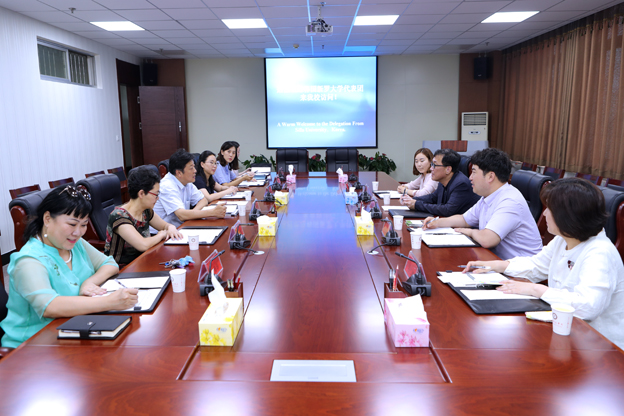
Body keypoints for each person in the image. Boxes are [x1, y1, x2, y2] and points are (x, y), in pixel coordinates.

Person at [464, 178, 624, 350]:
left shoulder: (600, 252)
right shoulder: (563, 239)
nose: (545, 213)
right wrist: (497, 265)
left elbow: (588, 306)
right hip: (568, 332)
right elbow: (536, 265)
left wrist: (536, 289)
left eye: (550, 209)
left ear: (568, 215)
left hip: (600, 347)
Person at [0, 185, 138, 348]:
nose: (78, 232)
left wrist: (89, 282)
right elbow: (49, 306)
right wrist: (109, 302)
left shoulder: (74, 243)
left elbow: (110, 264)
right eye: (72, 224)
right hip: (34, 344)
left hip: (75, 327)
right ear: (47, 219)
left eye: (84, 224)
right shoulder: (28, 260)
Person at [422, 148, 542, 259]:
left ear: (490, 176)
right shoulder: (488, 196)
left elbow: (487, 239)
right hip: (498, 261)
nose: (470, 178)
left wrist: (469, 232)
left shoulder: (510, 201)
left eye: (474, 172)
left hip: (522, 269)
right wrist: (437, 222)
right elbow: (465, 219)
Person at [105, 166, 183, 265]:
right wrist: (161, 234)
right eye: (156, 194)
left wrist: (171, 228)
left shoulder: (146, 211)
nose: (158, 198)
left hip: (143, 261)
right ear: (141, 193)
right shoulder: (119, 216)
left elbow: (165, 225)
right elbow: (143, 245)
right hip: (122, 269)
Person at [152, 149, 226, 232]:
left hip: (182, 227)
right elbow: (181, 215)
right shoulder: (167, 186)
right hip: (163, 234)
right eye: (191, 168)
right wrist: (212, 212)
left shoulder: (187, 181)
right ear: (179, 173)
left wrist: (192, 214)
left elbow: (203, 200)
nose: (195, 171)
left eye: (194, 167)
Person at [400, 148, 480, 216]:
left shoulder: (461, 184)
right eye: (432, 164)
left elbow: (447, 210)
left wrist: (416, 204)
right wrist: (412, 200)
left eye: (435, 165)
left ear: (448, 169)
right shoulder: (443, 180)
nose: (431, 168)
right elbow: (433, 197)